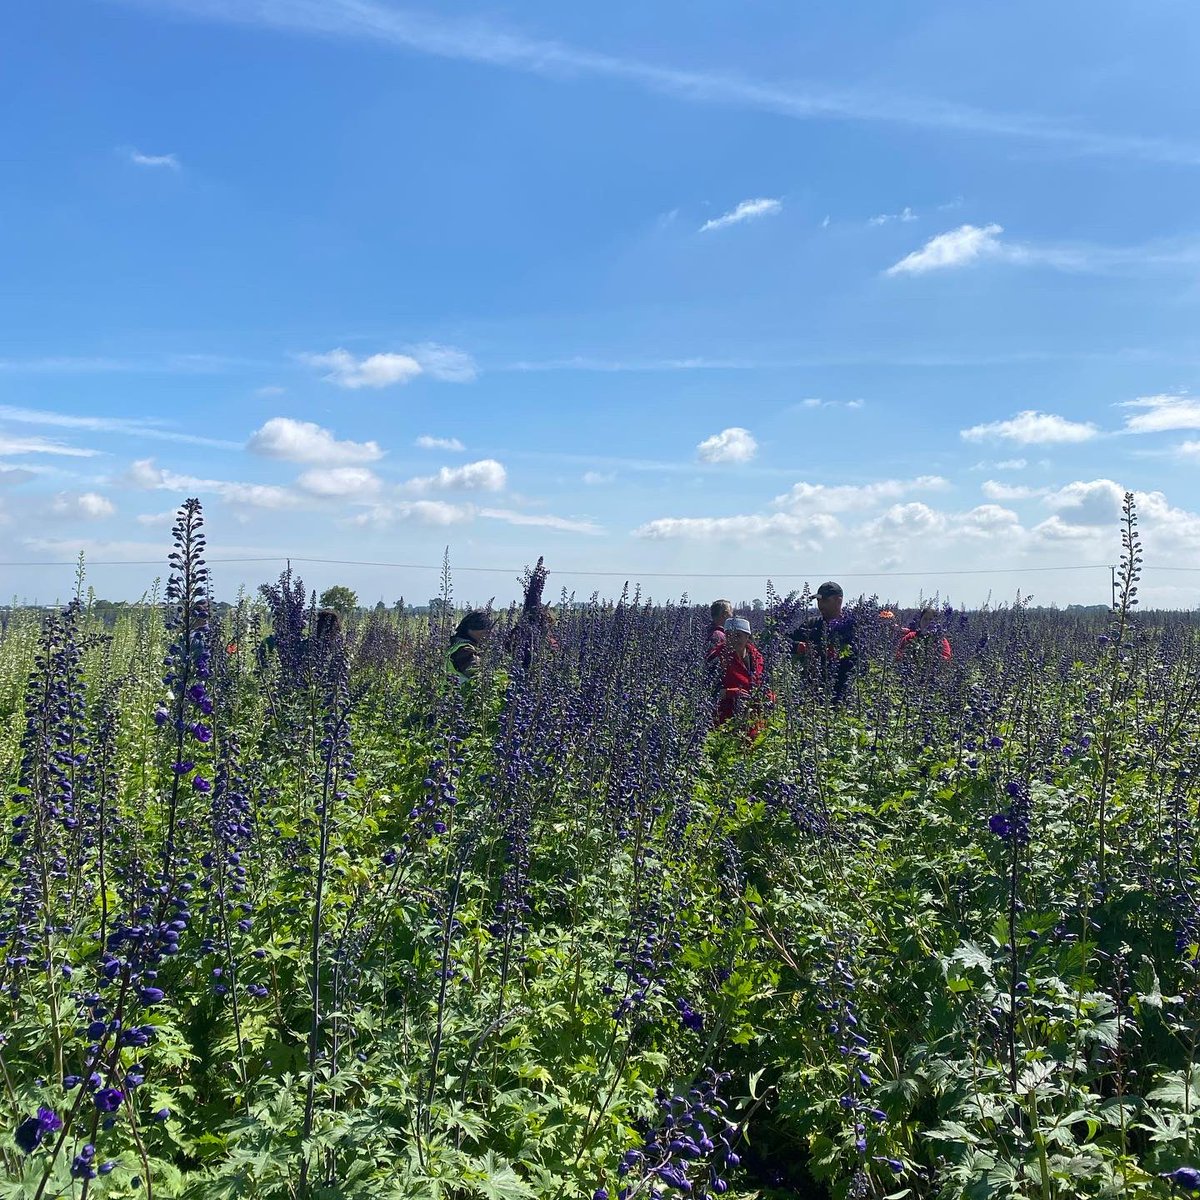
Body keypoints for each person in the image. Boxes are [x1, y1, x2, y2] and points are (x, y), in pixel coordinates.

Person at [790, 581, 857, 701]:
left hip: (843, 694)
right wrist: (799, 647)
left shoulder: (851, 627)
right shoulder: (811, 625)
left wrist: (839, 654)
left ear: (838, 600)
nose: (820, 605)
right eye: (818, 601)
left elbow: (860, 660)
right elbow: (784, 642)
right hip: (811, 693)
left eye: (825, 600)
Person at [710, 616, 771, 734]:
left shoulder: (757, 657)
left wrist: (769, 697)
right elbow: (707, 692)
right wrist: (731, 692)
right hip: (726, 723)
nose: (733, 640)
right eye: (729, 636)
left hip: (754, 720)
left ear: (747, 636)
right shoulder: (716, 657)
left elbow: (764, 683)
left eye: (738, 635)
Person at [446, 610, 494, 687]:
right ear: (470, 630)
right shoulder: (465, 650)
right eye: (485, 630)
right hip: (459, 695)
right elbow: (476, 674)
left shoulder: (455, 645)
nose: (488, 634)